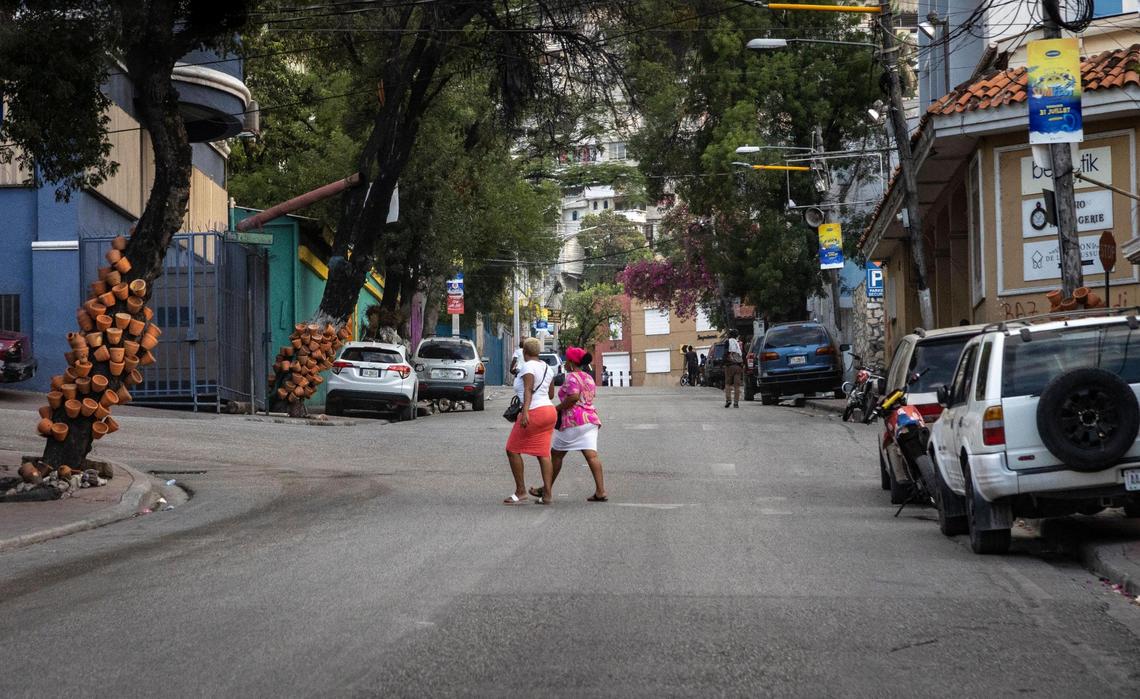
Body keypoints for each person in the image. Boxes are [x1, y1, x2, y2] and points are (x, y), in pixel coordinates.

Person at [530, 347, 607, 502]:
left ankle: (546, 490)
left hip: (574, 421)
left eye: (566, 360)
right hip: (590, 419)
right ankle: (601, 491)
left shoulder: (571, 377)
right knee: (592, 455)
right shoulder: (588, 377)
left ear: (571, 363)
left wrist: (557, 409)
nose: (564, 363)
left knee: (557, 455)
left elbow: (573, 397)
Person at [504, 337, 557, 505]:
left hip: (534, 411)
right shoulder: (548, 368)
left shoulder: (528, 366)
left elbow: (528, 389)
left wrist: (525, 412)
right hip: (549, 412)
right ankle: (547, 494)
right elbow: (550, 395)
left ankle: (520, 491)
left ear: (525, 353)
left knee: (512, 449)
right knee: (543, 453)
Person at [724, 330, 743, 408]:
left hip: (730, 365)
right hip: (738, 366)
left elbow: (725, 353)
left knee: (728, 383)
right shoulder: (739, 343)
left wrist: (724, 362)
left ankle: (728, 400)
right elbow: (742, 354)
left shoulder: (727, 342)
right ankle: (736, 403)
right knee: (737, 386)